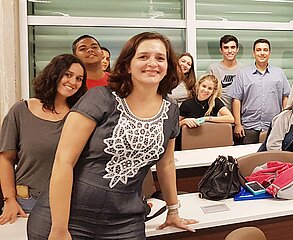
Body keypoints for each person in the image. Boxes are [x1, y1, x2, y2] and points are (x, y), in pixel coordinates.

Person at [26, 32, 198, 239]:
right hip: (66, 219)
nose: (152, 63)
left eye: (160, 58)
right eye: (143, 57)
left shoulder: (171, 109)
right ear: (127, 65)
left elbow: (167, 163)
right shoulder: (100, 98)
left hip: (125, 221)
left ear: (168, 67)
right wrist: (59, 229)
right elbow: (63, 162)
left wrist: (173, 211)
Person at [0, 54, 87, 225]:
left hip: (70, 204)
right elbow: (5, 158)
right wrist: (9, 199)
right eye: (68, 74)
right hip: (26, 203)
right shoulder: (21, 110)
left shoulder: (80, 115)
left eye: (79, 78)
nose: (73, 82)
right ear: (54, 73)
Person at [227, 38, 291, 145]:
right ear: (253, 53)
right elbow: (236, 100)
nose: (262, 53)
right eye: (259, 50)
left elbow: (285, 97)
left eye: (265, 50)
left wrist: (285, 122)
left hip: (273, 126)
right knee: (248, 158)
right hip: (248, 127)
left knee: (271, 158)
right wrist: (238, 124)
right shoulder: (243, 74)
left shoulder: (279, 73)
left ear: (269, 53)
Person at [207, 34, 246, 112]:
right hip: (220, 115)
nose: (229, 51)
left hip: (242, 115)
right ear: (221, 50)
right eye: (226, 47)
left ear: (237, 49)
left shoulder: (245, 69)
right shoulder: (213, 69)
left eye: (233, 47)